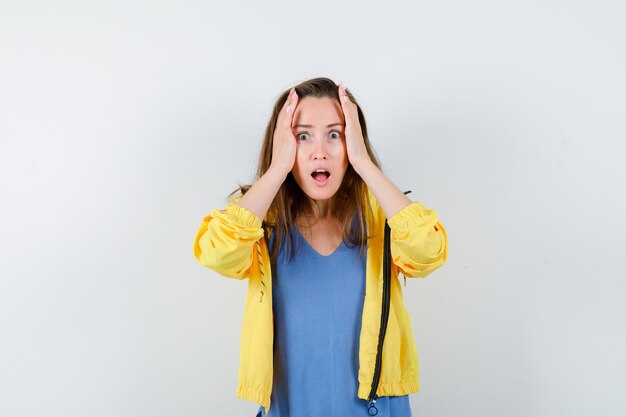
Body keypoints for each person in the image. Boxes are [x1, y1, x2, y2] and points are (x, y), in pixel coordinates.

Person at [193, 77, 448, 416]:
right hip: (291, 407)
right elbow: (215, 251)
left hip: (373, 407)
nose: (319, 151)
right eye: (302, 136)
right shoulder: (260, 220)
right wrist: (277, 168)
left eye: (335, 135)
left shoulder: (381, 217)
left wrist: (364, 164)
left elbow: (428, 250)